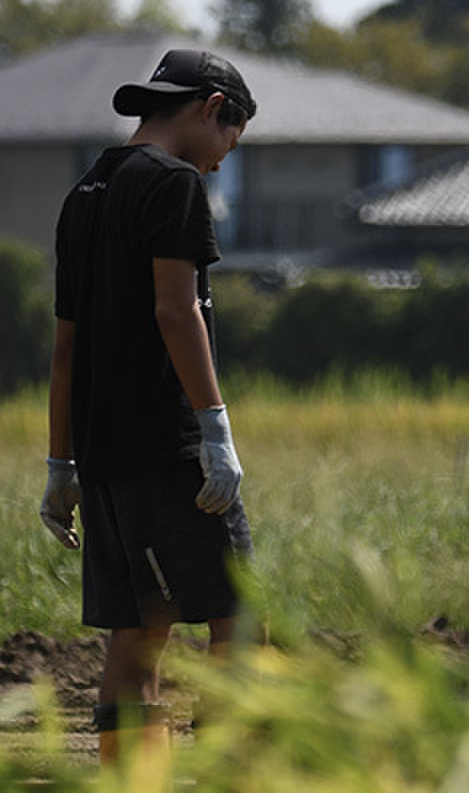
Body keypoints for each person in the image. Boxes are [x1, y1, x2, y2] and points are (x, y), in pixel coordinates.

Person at [40, 48, 257, 766]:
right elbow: (175, 308)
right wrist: (214, 428)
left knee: (138, 632)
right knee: (238, 617)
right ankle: (231, 777)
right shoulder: (173, 183)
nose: (220, 164)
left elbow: (65, 346)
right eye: (230, 142)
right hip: (168, 447)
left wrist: (62, 464)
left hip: (103, 453)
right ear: (211, 108)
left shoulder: (84, 193)